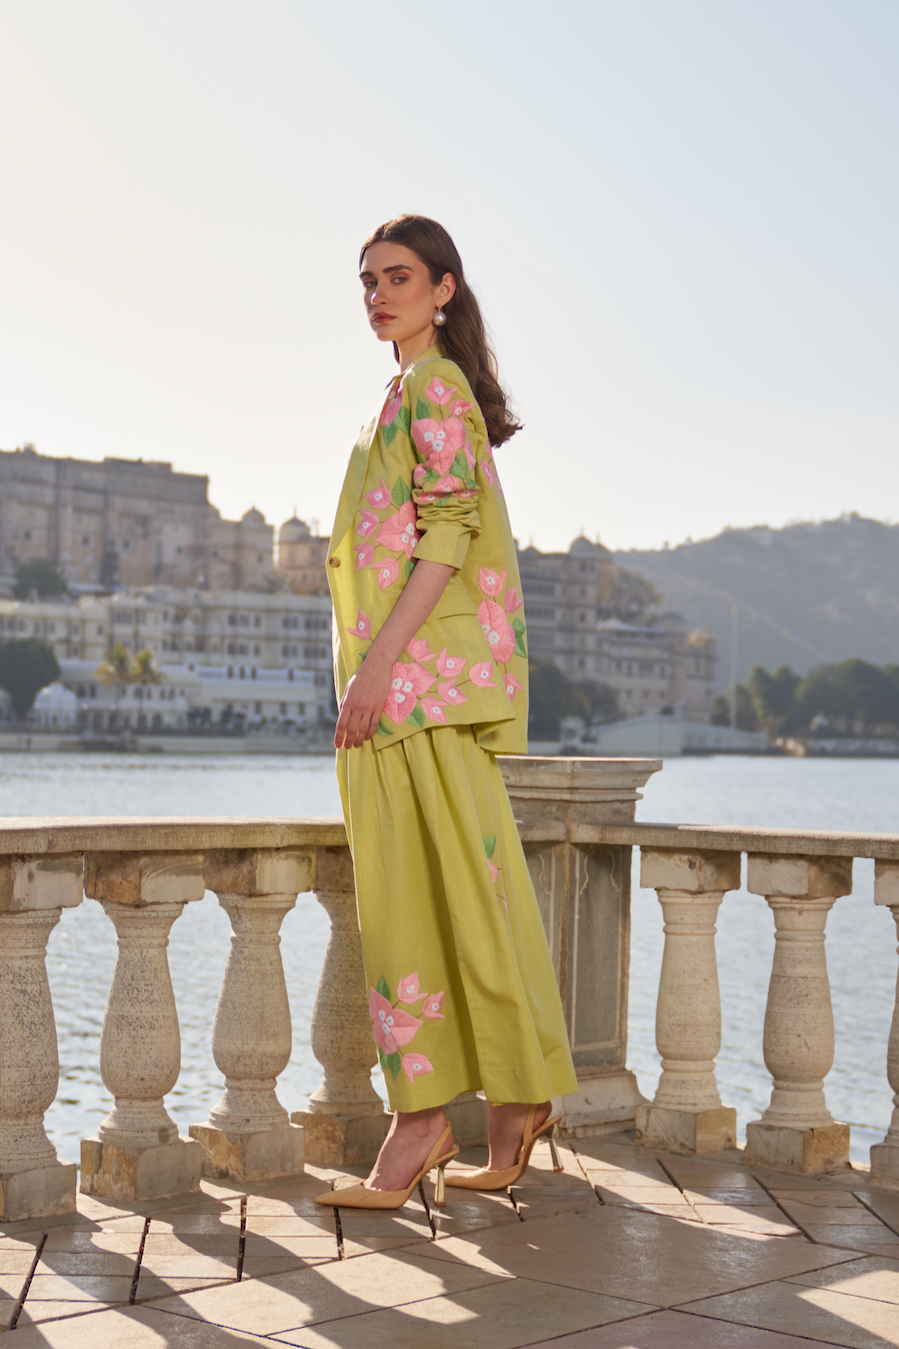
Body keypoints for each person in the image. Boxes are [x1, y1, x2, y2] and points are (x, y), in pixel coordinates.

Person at [316, 215, 577, 1210]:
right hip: (402, 695)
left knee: (427, 903)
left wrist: (376, 668)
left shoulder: (432, 387)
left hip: (410, 695)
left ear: (443, 289)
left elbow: (448, 531)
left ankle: (428, 1117)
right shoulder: (404, 394)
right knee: (452, 901)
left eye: (398, 277)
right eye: (367, 280)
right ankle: (508, 1105)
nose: (378, 294)